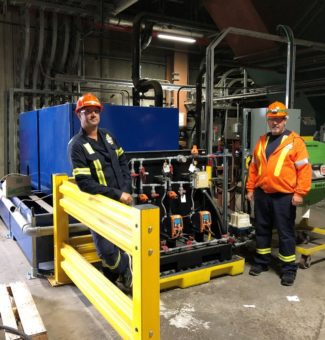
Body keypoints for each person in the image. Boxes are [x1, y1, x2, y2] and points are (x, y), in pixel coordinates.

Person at [68, 93, 133, 291]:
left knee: (124, 242)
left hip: (122, 202)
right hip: (99, 207)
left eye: (96, 111)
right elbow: (84, 183)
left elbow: (123, 162)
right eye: (87, 111)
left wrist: (126, 189)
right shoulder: (77, 146)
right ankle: (126, 270)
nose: (93, 115)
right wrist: (117, 194)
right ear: (79, 114)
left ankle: (115, 279)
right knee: (106, 251)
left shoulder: (108, 137)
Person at [246, 101, 312, 286]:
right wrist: (250, 189)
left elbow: (304, 170)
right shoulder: (261, 141)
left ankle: (288, 269)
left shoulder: (295, 142)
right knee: (262, 229)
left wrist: (300, 193)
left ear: (285, 120)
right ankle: (261, 262)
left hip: (284, 196)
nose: (275, 123)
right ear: (268, 120)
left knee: (285, 233)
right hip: (262, 194)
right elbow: (254, 167)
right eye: (272, 119)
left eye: (279, 119)